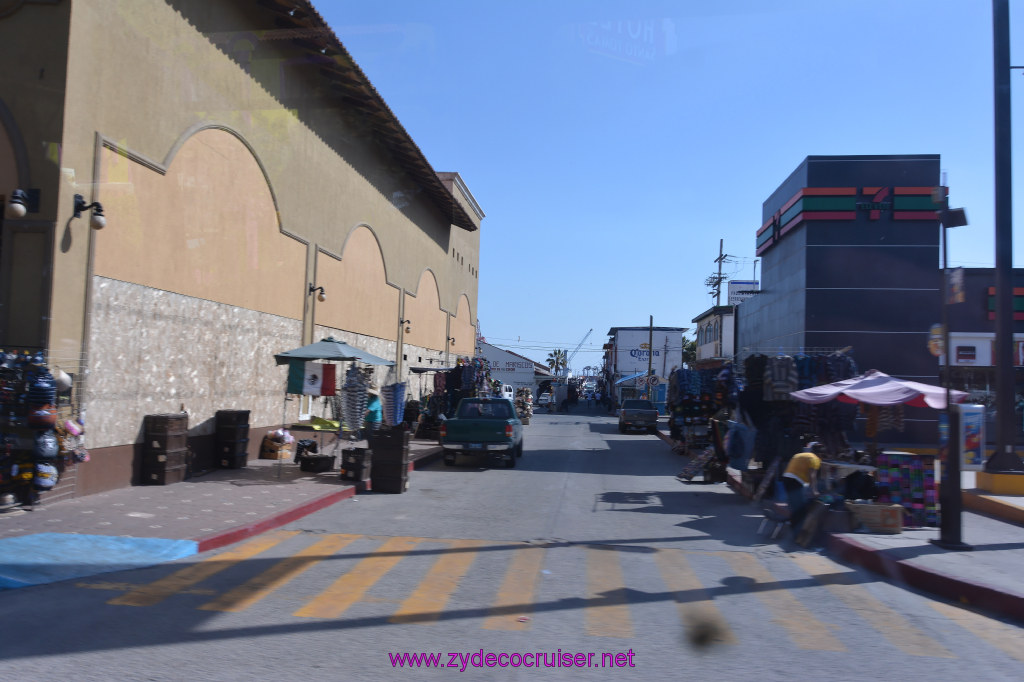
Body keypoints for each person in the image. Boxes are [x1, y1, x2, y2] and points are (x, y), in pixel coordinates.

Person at [782, 442, 822, 531]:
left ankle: (793, 526)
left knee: (794, 505)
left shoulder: (800, 455)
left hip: (786, 478)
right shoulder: (815, 459)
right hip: (795, 481)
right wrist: (814, 490)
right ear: (819, 454)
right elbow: (812, 476)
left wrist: (808, 488)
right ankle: (797, 531)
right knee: (800, 508)